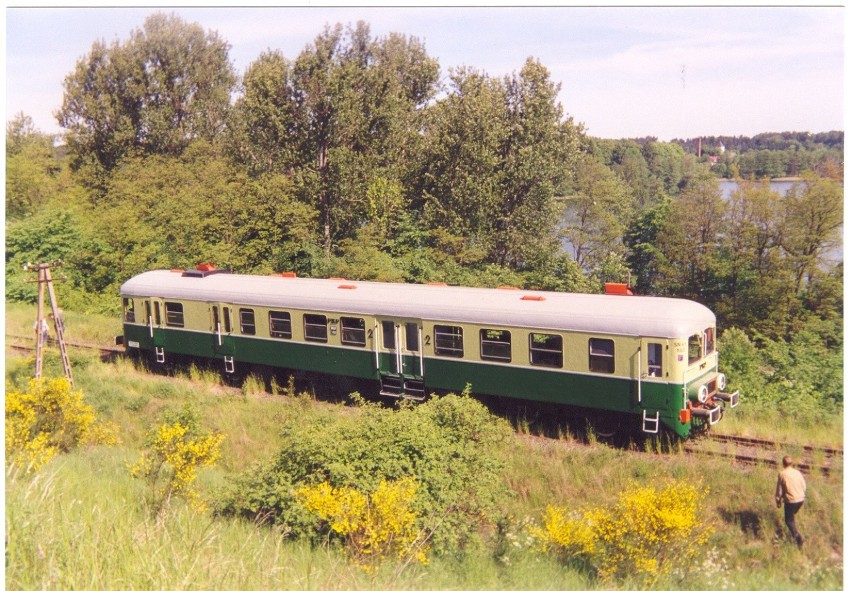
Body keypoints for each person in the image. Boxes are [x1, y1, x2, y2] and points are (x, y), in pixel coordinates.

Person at [775, 455, 807, 548]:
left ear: (783, 464)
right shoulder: (797, 472)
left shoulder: (782, 474)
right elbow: (804, 486)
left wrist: (778, 500)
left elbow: (779, 490)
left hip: (791, 500)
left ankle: (797, 537)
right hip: (801, 499)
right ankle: (796, 534)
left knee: (788, 520)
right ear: (792, 463)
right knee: (792, 516)